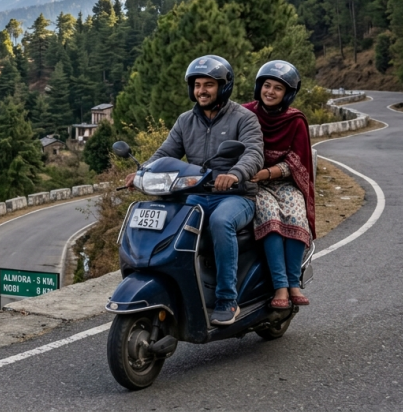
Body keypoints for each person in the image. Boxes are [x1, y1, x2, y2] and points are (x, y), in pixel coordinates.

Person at [125, 55, 263, 325]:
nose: (202, 90)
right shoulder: (185, 121)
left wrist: (234, 174)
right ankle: (178, 288)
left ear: (223, 86)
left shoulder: (244, 118)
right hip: (197, 195)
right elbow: (166, 152)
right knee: (165, 220)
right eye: (197, 84)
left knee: (221, 221)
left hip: (235, 196)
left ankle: (227, 300)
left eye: (208, 84)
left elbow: (254, 153)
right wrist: (142, 172)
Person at [243, 60, 314, 309]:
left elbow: (297, 160)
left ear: (288, 94)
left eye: (278, 88)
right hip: (251, 184)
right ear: (259, 86)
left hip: (282, 181)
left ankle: (294, 283)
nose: (270, 92)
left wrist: (268, 173)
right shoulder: (245, 113)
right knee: (269, 218)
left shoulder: (295, 120)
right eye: (266, 85)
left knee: (295, 216)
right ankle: (280, 287)